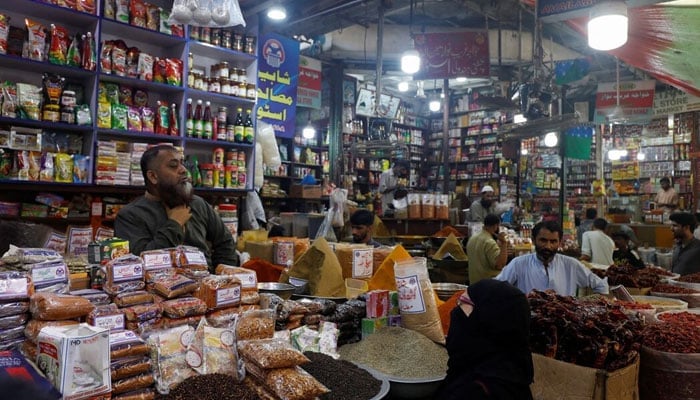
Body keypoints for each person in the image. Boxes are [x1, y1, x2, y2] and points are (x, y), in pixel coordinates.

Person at [114, 144, 237, 271]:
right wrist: (174, 225)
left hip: (206, 286)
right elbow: (140, 264)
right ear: (153, 176)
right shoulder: (130, 216)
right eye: (173, 166)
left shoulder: (197, 204)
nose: (183, 170)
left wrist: (221, 277)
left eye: (182, 163)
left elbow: (225, 243)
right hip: (159, 289)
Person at [438, 279, 534, 400]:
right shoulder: (514, 376)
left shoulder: (473, 392)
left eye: (463, 304)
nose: (455, 311)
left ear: (487, 321)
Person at [495, 220, 609, 296]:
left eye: (553, 241)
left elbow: (601, 285)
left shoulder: (571, 265)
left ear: (559, 243)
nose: (548, 246)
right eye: (543, 240)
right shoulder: (518, 264)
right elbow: (496, 288)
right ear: (534, 240)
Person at [467, 214, 509, 284]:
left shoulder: (472, 239)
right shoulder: (489, 242)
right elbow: (500, 265)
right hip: (488, 286)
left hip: (473, 284)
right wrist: (504, 243)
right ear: (496, 226)